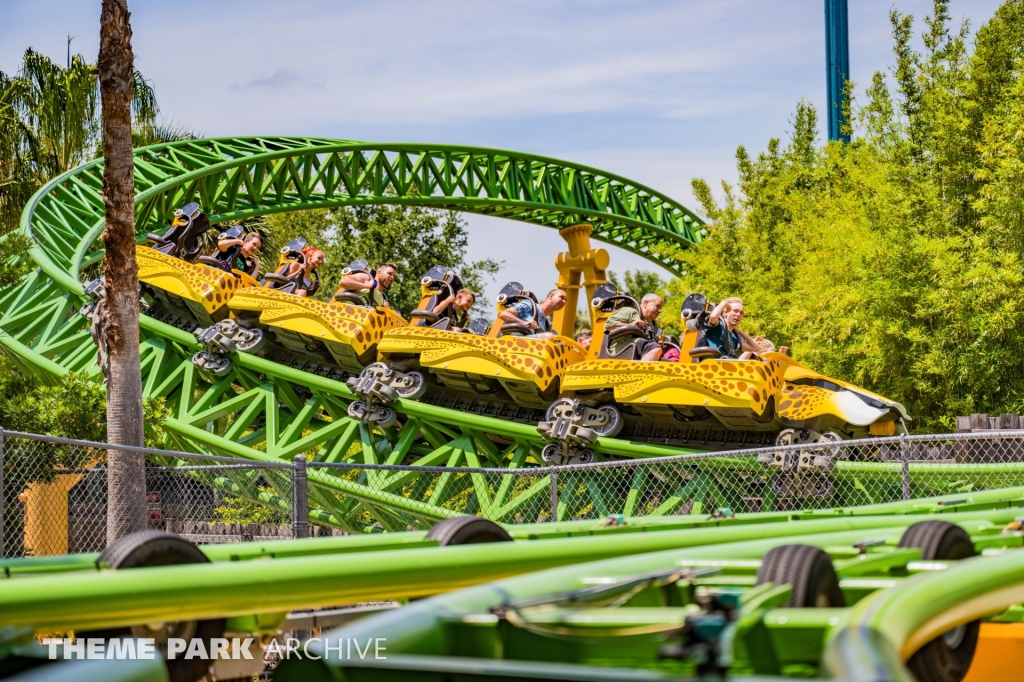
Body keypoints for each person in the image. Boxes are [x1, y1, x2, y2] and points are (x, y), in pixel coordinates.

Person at [605, 293, 664, 361]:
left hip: (637, 350)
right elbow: (609, 325)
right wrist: (632, 326)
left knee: (664, 360)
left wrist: (659, 344)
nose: (660, 311)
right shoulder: (630, 311)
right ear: (645, 303)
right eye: (657, 306)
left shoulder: (649, 327)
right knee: (654, 348)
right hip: (620, 350)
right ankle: (642, 371)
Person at [498, 288, 567, 340]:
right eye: (562, 297)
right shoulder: (530, 305)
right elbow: (504, 314)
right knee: (549, 337)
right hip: (516, 342)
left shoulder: (546, 324)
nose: (564, 302)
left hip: (532, 348)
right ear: (551, 296)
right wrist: (525, 324)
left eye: (565, 301)